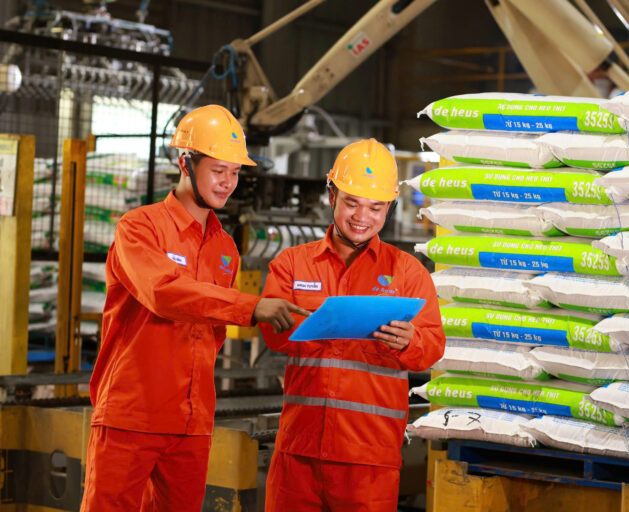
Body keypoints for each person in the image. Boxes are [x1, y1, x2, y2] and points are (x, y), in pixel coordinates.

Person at [80, 104, 309, 511]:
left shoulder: (225, 249)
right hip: (132, 414)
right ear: (186, 163)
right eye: (218, 170)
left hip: (192, 421)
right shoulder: (139, 227)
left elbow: (211, 330)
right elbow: (164, 293)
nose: (228, 183)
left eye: (235, 173)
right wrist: (250, 307)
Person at [261, 138, 446, 511]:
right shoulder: (292, 265)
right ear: (332, 196)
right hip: (300, 450)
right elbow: (273, 338)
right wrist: (278, 319)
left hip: (369, 456)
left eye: (376, 208)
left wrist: (410, 342)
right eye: (352, 203)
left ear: (389, 208)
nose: (362, 217)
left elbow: (432, 348)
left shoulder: (407, 273)